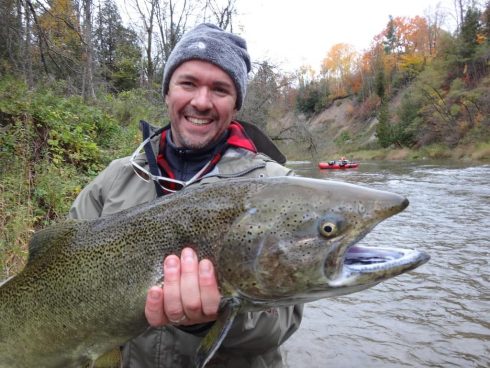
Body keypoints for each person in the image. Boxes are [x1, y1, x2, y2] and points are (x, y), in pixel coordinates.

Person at [69, 23, 303, 368]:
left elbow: (281, 323)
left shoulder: (279, 189)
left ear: (236, 104)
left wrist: (216, 317)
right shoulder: (115, 178)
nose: (201, 101)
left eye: (220, 89)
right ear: (167, 92)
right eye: (188, 83)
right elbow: (61, 269)